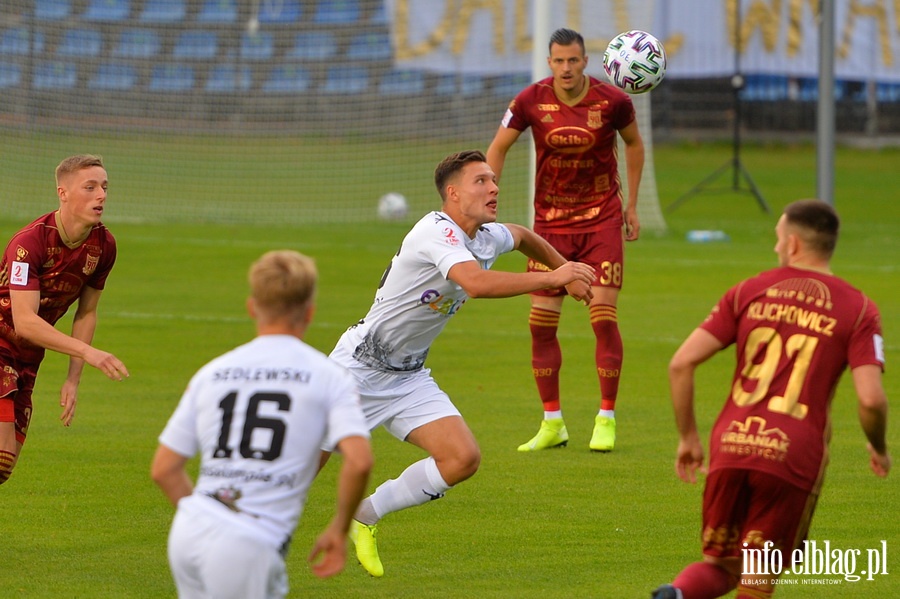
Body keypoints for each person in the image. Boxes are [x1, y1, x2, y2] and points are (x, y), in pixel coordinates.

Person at [327, 149, 595, 577]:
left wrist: (569, 271)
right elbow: (476, 282)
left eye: (493, 180)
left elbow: (524, 235)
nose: (493, 188)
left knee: (462, 458)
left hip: (407, 377)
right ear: (453, 194)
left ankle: (364, 516)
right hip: (354, 372)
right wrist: (551, 278)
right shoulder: (434, 231)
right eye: (481, 181)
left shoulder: (486, 235)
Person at [653, 200, 890, 599]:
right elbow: (871, 400)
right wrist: (879, 447)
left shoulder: (748, 290)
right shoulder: (860, 308)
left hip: (730, 444)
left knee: (722, 566)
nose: (776, 249)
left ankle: (675, 595)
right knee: (757, 577)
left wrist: (688, 437)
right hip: (791, 453)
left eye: (779, 240)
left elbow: (681, 364)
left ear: (794, 244)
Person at [151, 250, 373, 598]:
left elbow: (164, 469)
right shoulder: (329, 377)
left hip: (189, 532)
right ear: (310, 312)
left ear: (252, 307)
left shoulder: (213, 373)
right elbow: (359, 461)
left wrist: (207, 520)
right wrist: (339, 528)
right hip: (249, 542)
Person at [486, 27, 645, 452]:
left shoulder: (613, 101)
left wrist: (631, 205)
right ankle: (552, 422)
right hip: (550, 229)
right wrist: (489, 193)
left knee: (603, 317)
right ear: (549, 62)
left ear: (586, 61)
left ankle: (606, 417)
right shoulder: (529, 100)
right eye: (558, 61)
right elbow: (498, 146)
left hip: (601, 221)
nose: (566, 68)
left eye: (573, 60)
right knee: (540, 326)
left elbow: (633, 144)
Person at [0, 154, 129, 485]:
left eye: (104, 187)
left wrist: (74, 378)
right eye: (90, 187)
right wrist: (90, 353)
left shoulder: (103, 246)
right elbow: (25, 321)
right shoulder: (29, 244)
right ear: (63, 193)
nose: (101, 195)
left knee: (4, 468)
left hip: (28, 356)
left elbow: (86, 313)